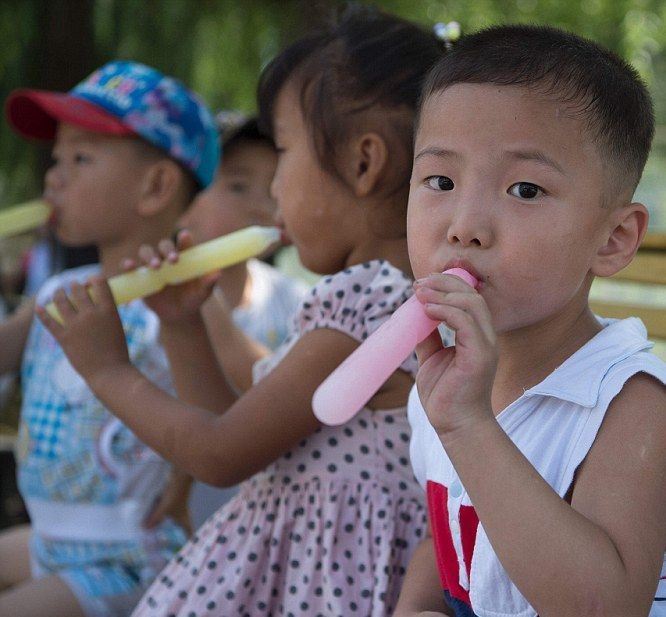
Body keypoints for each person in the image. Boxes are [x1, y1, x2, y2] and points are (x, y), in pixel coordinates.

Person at [39, 6, 444, 615]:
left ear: (363, 164)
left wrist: (106, 371)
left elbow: (219, 455)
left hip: (316, 582)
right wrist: (183, 322)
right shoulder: (390, 299)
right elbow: (242, 432)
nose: (274, 189)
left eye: (283, 153)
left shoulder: (368, 305)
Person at [395, 25, 666, 617]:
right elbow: (449, 538)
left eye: (525, 189)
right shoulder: (447, 384)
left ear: (612, 239)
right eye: (441, 181)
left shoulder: (629, 408)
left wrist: (468, 426)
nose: (465, 225)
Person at [0, 60, 219, 617]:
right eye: (57, 159)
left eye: (80, 158)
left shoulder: (184, 304)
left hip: (134, 558)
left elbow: (220, 424)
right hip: (51, 541)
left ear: (156, 186)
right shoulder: (59, 291)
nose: (54, 176)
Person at [165, 112, 309, 528]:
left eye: (273, 188)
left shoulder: (294, 300)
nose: (261, 206)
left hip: (267, 522)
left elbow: (286, 404)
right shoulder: (149, 304)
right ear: (178, 198)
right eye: (237, 186)